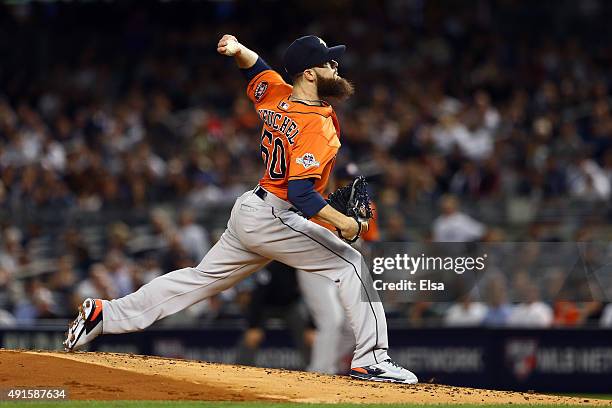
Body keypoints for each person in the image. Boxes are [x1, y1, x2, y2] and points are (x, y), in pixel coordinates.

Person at [64, 34, 418, 384]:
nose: (335, 68)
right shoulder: (316, 124)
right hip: (277, 214)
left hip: (252, 209)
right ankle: (373, 360)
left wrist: (236, 48)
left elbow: (255, 69)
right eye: (328, 63)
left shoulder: (278, 95)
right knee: (351, 262)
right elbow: (301, 194)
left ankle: (104, 315)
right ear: (309, 74)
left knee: (199, 279)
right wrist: (347, 225)